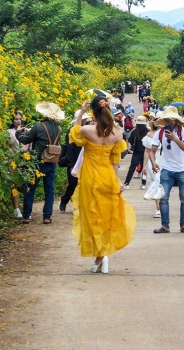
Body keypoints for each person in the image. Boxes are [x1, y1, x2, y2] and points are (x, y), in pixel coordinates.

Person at [70, 97, 136, 274]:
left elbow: (74, 134)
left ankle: (100, 255)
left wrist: (81, 112)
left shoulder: (87, 130)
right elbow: (115, 161)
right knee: (107, 215)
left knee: (91, 216)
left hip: (90, 178)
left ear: (93, 112)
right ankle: (102, 256)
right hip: (107, 176)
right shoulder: (118, 133)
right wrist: (116, 181)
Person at [16, 102, 64, 224]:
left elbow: (25, 140)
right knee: (49, 190)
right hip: (51, 161)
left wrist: (18, 132)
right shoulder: (59, 129)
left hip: (37, 162)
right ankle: (47, 217)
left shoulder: (38, 126)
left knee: (30, 189)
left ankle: (26, 216)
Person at [149, 106, 184, 234]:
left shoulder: (183, 132)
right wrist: (153, 162)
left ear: (176, 121)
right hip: (167, 169)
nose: (170, 121)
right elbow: (152, 150)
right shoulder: (160, 133)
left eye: (172, 119)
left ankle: (183, 225)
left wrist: (175, 139)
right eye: (167, 119)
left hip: (183, 168)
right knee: (163, 198)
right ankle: (165, 226)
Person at [58, 110, 91, 213]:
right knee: (72, 184)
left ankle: (78, 206)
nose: (86, 121)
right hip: (73, 161)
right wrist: (71, 164)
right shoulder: (72, 131)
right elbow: (70, 149)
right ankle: (64, 201)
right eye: (84, 119)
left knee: (82, 185)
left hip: (84, 160)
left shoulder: (86, 130)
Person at [7, 111, 30, 219]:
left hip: (24, 160)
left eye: (20, 119)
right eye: (16, 119)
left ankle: (27, 210)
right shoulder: (8, 132)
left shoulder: (26, 131)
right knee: (14, 185)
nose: (18, 121)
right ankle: (16, 209)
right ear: (12, 121)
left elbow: (29, 145)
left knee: (25, 184)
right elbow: (6, 146)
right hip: (12, 161)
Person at [142, 115, 162, 218]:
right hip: (153, 161)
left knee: (163, 184)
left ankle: (163, 206)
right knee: (156, 182)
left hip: (165, 161)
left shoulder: (168, 134)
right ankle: (158, 207)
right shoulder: (150, 135)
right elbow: (147, 151)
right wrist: (144, 166)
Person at [122, 115, 149, 188]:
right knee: (144, 167)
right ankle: (143, 184)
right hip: (145, 151)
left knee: (132, 167)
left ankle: (127, 183)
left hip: (136, 151)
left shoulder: (134, 131)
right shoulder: (147, 132)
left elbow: (130, 140)